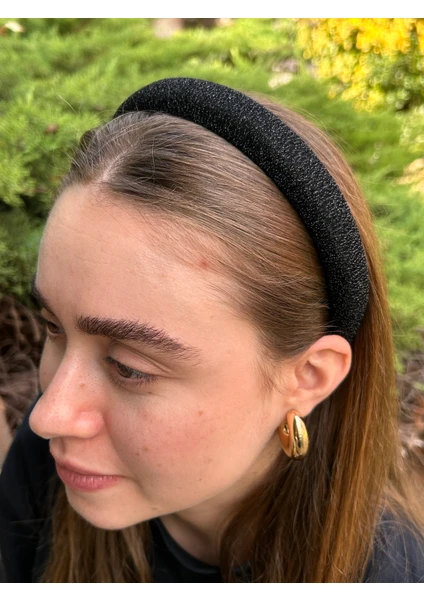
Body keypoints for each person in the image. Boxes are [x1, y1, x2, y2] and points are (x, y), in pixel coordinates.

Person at [0, 78, 423, 583]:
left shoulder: (388, 576)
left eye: (130, 367)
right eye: (54, 327)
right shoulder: (50, 468)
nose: (48, 416)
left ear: (308, 376)